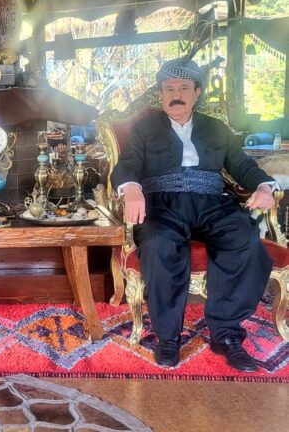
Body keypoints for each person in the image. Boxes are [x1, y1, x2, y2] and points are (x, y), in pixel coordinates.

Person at [111, 58, 277, 372]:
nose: (176, 95)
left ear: (196, 92)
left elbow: (242, 165)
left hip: (212, 202)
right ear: (161, 94)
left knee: (244, 238)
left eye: (184, 88)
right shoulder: (145, 128)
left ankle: (226, 335)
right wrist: (131, 188)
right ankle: (168, 338)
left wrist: (265, 187)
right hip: (162, 204)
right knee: (159, 242)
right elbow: (127, 163)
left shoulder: (216, 128)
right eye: (169, 89)